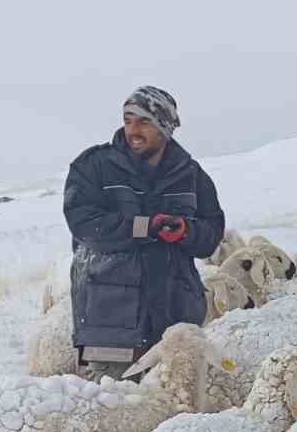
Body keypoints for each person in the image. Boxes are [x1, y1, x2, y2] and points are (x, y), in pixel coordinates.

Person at [63, 85, 225, 376]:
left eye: (144, 121)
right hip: (112, 322)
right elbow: (84, 223)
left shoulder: (191, 174)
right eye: (128, 120)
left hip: (176, 321)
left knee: (177, 411)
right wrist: (145, 227)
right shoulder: (93, 167)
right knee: (117, 412)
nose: (133, 130)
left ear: (166, 125)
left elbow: (212, 234)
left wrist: (186, 230)